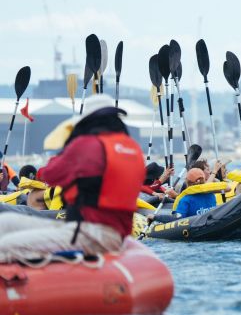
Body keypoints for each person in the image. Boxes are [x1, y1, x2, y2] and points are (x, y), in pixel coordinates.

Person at [0, 95, 144, 261]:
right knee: (6, 222)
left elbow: (49, 175)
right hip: (119, 234)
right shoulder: (133, 149)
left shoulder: (86, 144)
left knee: (7, 243)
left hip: (91, 234)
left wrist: (69, 142)